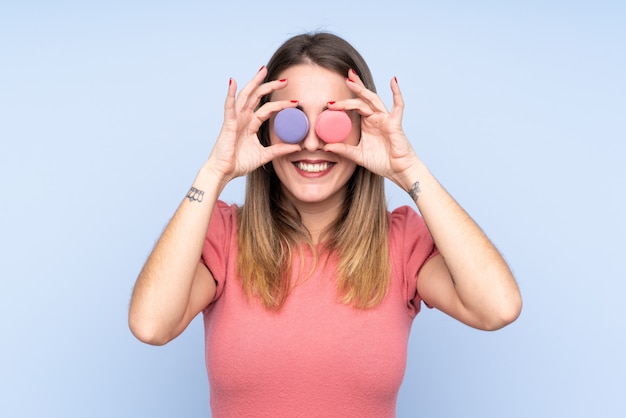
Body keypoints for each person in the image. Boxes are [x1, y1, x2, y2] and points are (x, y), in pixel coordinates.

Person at [128, 32, 522, 417]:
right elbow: (151, 325)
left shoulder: (401, 242)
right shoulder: (224, 235)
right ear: (264, 127)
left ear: (362, 127)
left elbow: (498, 308)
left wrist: (409, 169)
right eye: (292, 118)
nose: (312, 143)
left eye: (333, 118)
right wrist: (214, 171)